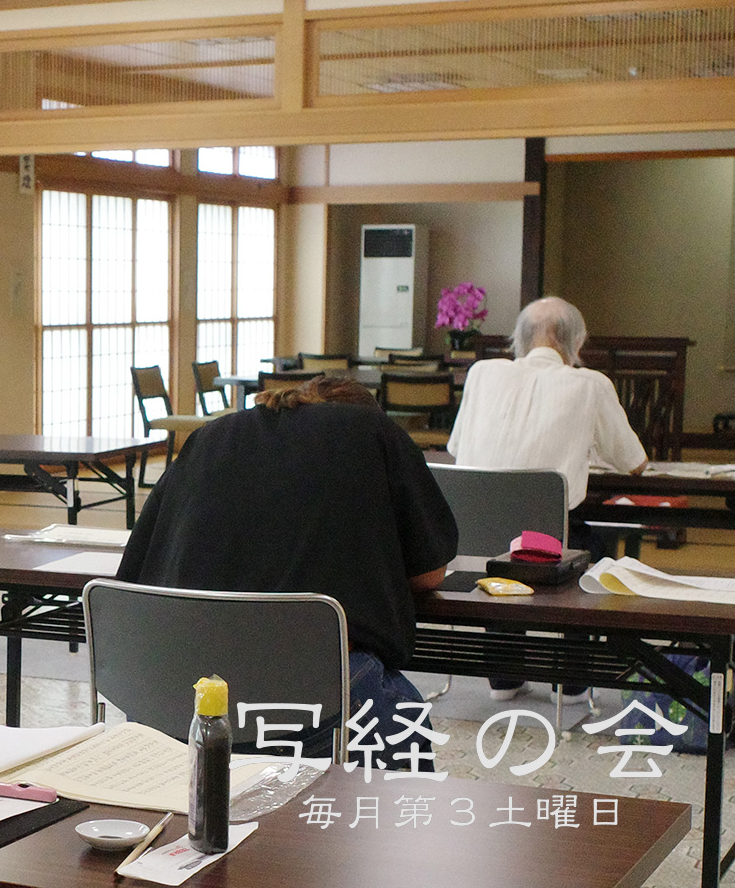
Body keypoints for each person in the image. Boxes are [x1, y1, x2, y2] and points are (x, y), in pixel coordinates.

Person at [117, 376, 458, 771]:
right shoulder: (371, 431)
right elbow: (429, 574)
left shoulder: (209, 437)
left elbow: (134, 576)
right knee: (402, 715)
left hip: (170, 702)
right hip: (314, 703)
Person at [447, 296, 648, 702]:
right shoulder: (589, 384)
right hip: (548, 549)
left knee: (504, 537)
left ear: (518, 340)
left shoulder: (481, 374)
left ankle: (504, 678)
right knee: (593, 553)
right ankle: (571, 681)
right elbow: (634, 462)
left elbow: (457, 450)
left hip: (471, 541)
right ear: (576, 342)